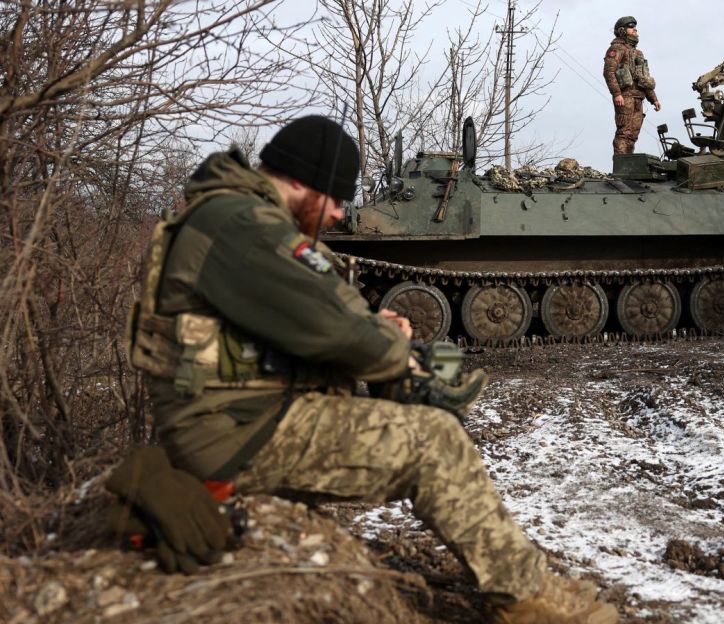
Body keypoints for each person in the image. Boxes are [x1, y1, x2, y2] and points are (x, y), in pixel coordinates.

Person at [119, 115, 618, 624]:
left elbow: (300, 318)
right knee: (435, 440)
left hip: (234, 416)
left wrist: (370, 328)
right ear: (299, 179)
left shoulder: (230, 217)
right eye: (334, 197)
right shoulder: (242, 225)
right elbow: (334, 328)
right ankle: (528, 601)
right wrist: (389, 346)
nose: (337, 213)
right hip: (235, 430)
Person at [603, 16, 662, 155]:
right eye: (631, 27)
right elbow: (609, 72)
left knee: (633, 135)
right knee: (624, 132)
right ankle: (621, 168)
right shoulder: (617, 49)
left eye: (635, 27)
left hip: (638, 98)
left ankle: (629, 167)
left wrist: (654, 99)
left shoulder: (638, 53)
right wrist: (617, 93)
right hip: (625, 97)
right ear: (622, 30)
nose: (635, 29)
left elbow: (644, 78)